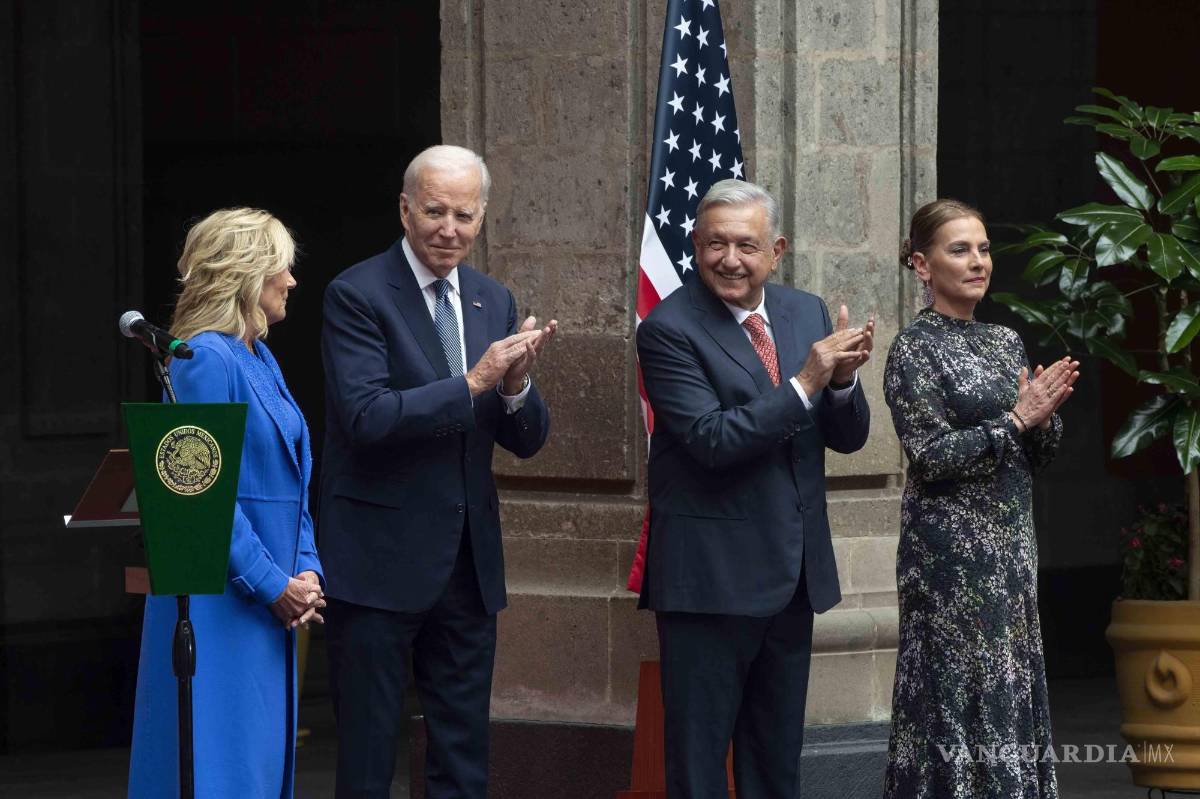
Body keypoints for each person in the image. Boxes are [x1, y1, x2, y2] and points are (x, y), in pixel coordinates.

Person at [319, 144, 555, 798]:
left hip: (465, 566)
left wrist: (516, 384)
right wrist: (473, 380)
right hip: (376, 562)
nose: (449, 228)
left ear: (482, 218)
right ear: (403, 209)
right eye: (434, 211)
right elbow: (366, 416)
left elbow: (527, 439)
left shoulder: (491, 298)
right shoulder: (357, 294)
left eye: (464, 214)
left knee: (461, 752)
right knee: (368, 757)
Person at [636, 179, 873, 798]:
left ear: (777, 250)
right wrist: (805, 383)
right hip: (709, 583)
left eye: (747, 245)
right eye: (715, 244)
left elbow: (845, 439)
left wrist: (842, 384)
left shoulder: (806, 312)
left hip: (790, 579)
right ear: (694, 245)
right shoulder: (667, 329)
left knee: (775, 766)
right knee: (700, 768)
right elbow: (713, 440)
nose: (730, 259)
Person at [883, 199, 1079, 798]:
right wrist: (1016, 422)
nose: (978, 262)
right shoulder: (914, 348)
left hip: (1010, 551)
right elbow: (932, 455)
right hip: (948, 563)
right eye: (959, 249)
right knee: (953, 695)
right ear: (922, 264)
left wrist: (1044, 422)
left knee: (1009, 689)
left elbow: (1036, 456)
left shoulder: (1004, 341)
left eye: (984, 249)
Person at [128, 208, 325, 798]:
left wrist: (308, 567)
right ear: (245, 273)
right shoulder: (204, 359)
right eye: (281, 267)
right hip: (224, 603)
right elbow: (201, 493)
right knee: (222, 769)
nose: (291, 280)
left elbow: (293, 479)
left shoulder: (259, 357)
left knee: (260, 769)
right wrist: (273, 585)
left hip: (272, 604)